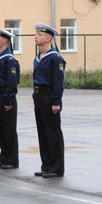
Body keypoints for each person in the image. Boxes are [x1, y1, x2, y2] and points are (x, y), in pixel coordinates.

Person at [33, 23, 66, 178]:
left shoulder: (55, 58)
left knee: (53, 133)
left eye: (40, 35)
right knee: (43, 133)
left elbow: (58, 82)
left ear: (48, 38)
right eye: (36, 34)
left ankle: (57, 167)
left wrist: (56, 101)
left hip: (49, 96)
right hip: (39, 97)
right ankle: (46, 165)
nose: (36, 37)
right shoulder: (38, 58)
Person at [0, 27, 20, 169]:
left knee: (8, 129)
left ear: (5, 40)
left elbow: (12, 81)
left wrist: (8, 100)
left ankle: (12, 159)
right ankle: (4, 157)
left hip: (4, 95)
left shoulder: (9, 59)